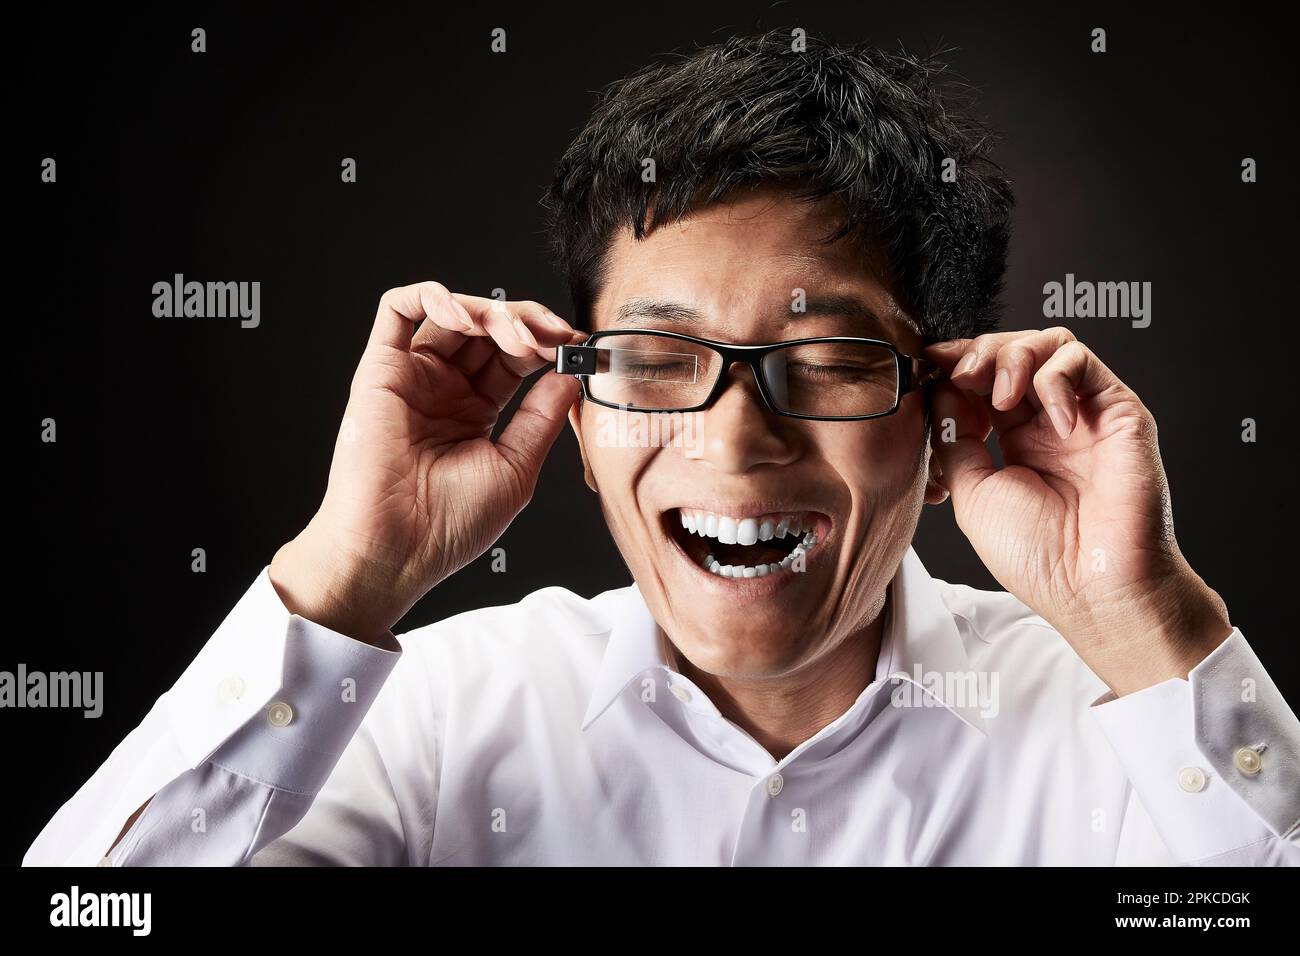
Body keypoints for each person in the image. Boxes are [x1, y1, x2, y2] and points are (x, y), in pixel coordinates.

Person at [25, 30, 1298, 866]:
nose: (735, 441)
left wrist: (1145, 620)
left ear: (943, 419)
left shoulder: (1117, 723)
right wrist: (345, 570)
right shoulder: (439, 716)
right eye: (655, 357)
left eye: (827, 362)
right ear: (577, 417)